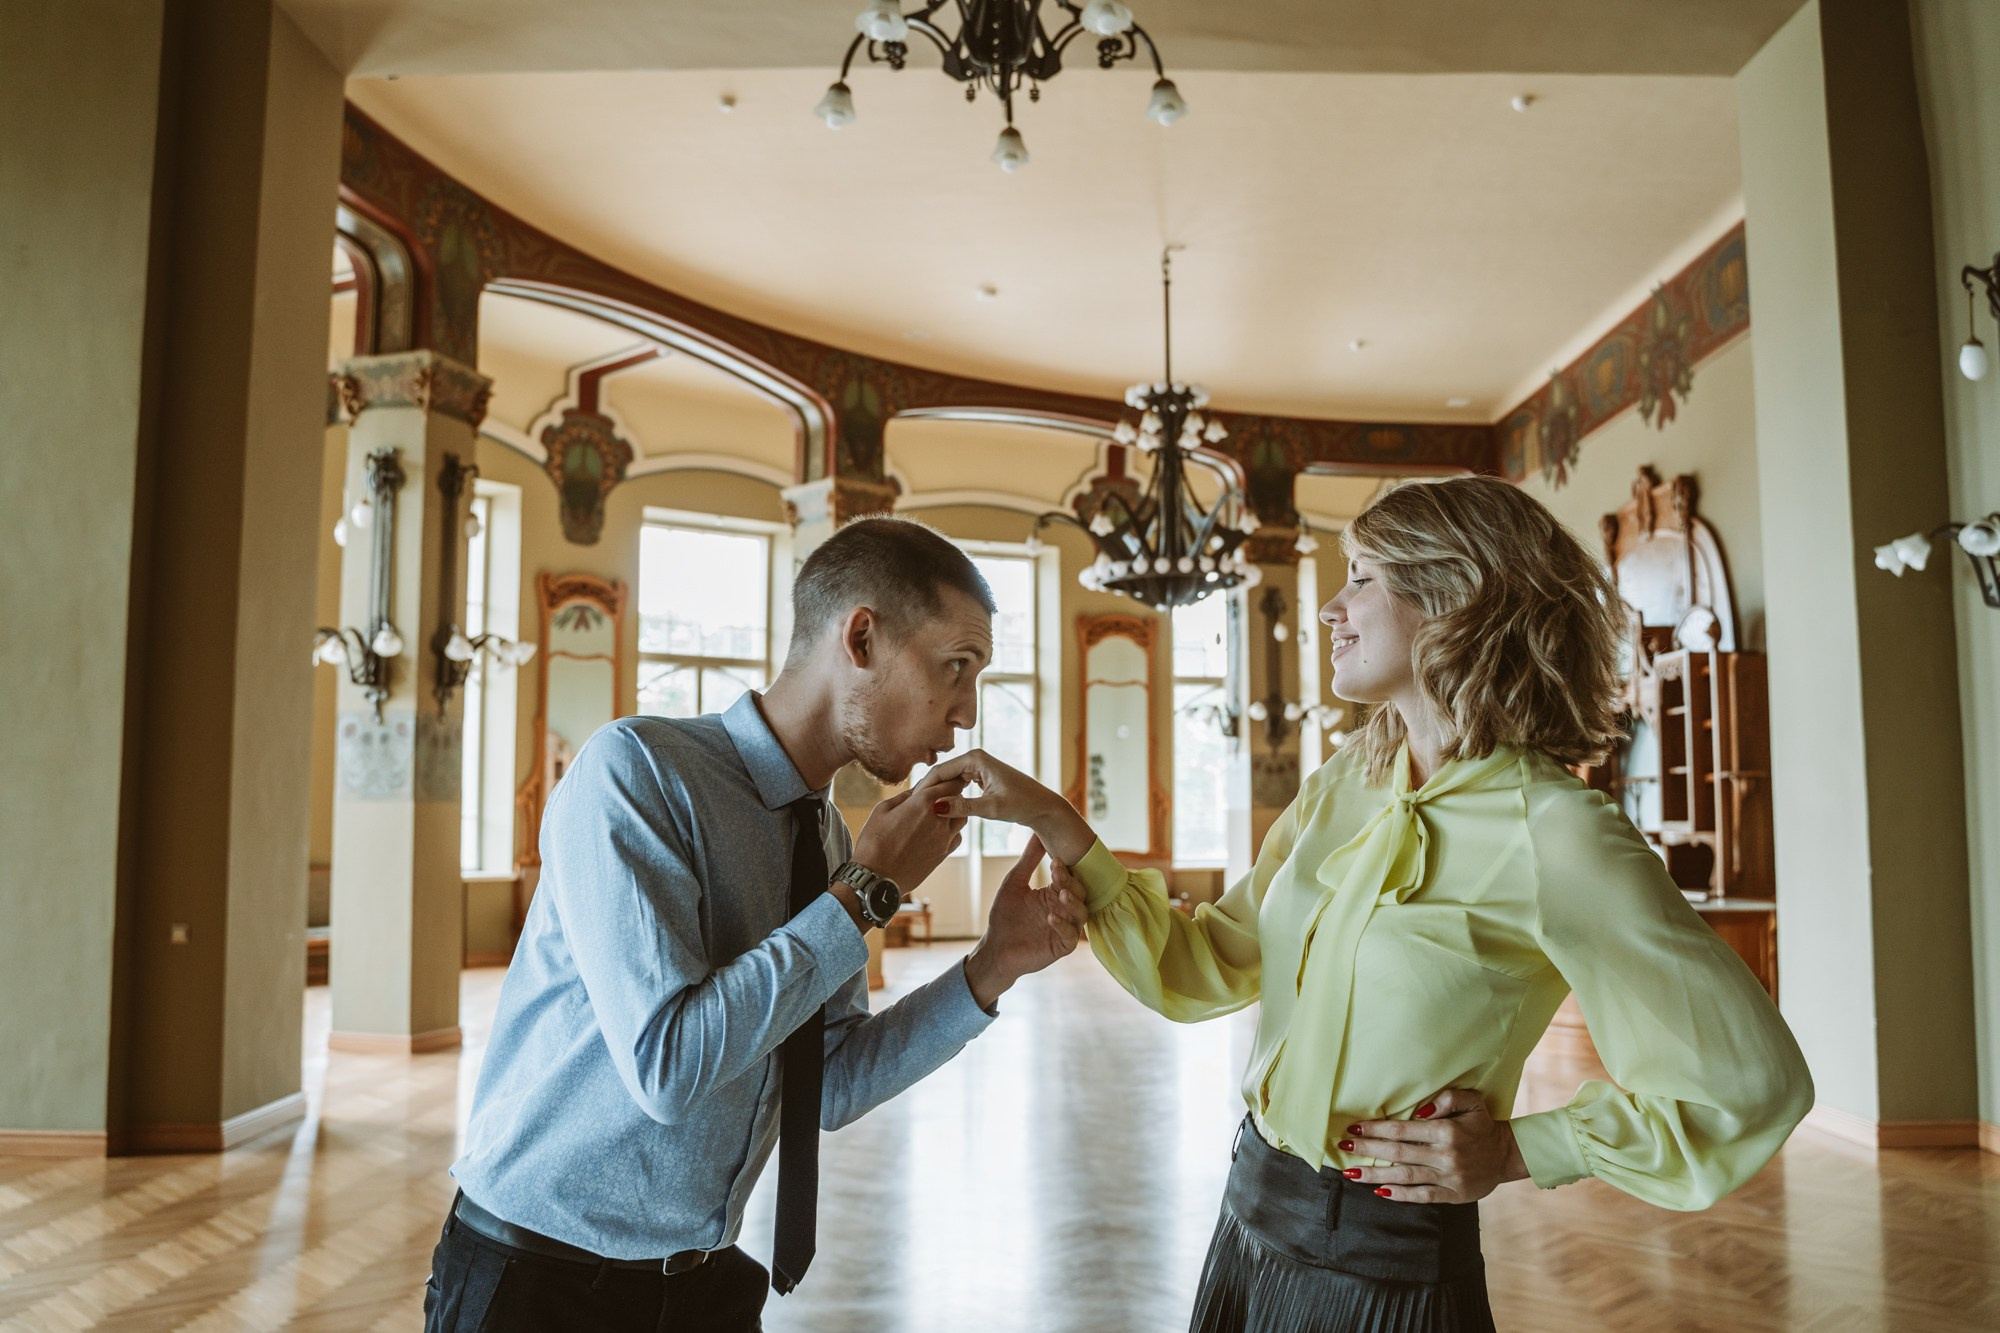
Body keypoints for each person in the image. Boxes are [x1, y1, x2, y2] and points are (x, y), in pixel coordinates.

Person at [920, 476, 1813, 1333]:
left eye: (1361, 577)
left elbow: (1750, 1083)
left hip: (1391, 1271)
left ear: (1455, 598)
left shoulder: (1559, 832)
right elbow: (1202, 968)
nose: (1328, 607)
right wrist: (1058, 823)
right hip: (1245, 1226)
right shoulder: (1346, 782)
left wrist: (1518, 1150)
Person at [426, 516, 1081, 1332]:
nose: (966, 715)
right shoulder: (636, 772)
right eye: (957, 668)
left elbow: (826, 1080)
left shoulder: (828, 837)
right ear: (863, 637)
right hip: (538, 1281)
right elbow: (668, 1066)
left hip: (708, 1285)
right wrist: (865, 893)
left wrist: (992, 965)